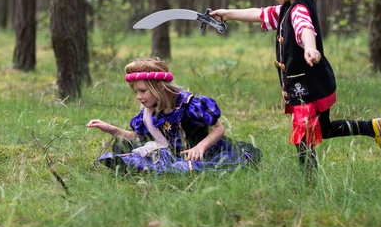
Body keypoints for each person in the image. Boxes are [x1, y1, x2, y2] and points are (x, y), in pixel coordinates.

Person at [210, 0, 381, 175]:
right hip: (315, 84)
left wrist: (310, 48)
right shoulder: (289, 8)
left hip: (305, 88)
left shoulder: (298, 10)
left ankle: (309, 182)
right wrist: (228, 13)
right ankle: (371, 127)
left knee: (303, 135)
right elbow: (260, 13)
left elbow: (305, 29)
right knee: (323, 129)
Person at [86, 58, 261, 173]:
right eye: (136, 92)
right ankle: (135, 166)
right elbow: (137, 138)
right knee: (146, 156)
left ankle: (171, 168)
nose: (138, 96)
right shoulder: (150, 112)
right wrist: (111, 129)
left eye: (142, 91)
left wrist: (200, 148)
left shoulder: (190, 105)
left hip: (201, 153)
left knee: (188, 166)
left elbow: (218, 129)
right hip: (170, 152)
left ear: (159, 87)